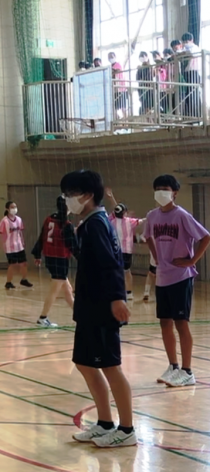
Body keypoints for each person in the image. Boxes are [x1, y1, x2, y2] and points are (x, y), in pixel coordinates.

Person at [60, 170, 135, 448]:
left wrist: (117, 298)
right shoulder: (88, 224)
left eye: (71, 194)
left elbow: (111, 264)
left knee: (110, 367)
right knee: (84, 363)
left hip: (103, 307)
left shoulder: (98, 224)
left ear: (88, 195)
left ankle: (126, 430)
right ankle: (104, 423)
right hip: (89, 306)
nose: (67, 199)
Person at [144, 175, 210, 387]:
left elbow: (206, 237)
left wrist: (192, 260)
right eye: (158, 188)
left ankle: (187, 371)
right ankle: (173, 366)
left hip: (181, 277)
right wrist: (156, 256)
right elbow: (147, 236)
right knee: (165, 322)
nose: (161, 192)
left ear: (174, 192)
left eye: (165, 188)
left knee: (181, 323)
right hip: (162, 276)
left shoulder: (181, 215)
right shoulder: (152, 216)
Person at [31, 196, 76, 327]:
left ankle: (80, 316)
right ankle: (42, 318)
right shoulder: (66, 225)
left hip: (50, 258)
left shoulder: (49, 219)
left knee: (68, 289)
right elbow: (73, 246)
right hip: (60, 260)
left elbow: (42, 237)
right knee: (54, 290)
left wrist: (37, 254)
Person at [105, 189, 144, 300]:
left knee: (114, 271)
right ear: (124, 213)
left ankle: (114, 291)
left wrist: (111, 198)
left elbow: (116, 208)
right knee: (127, 272)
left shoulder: (111, 221)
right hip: (127, 251)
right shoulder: (129, 221)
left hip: (115, 251)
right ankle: (129, 293)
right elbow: (142, 221)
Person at [1, 201, 33, 290]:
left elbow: (20, 232)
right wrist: (3, 245)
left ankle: (24, 279)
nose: (14, 209)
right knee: (13, 264)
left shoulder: (19, 219)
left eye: (15, 207)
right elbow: (1, 234)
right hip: (9, 247)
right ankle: (8, 282)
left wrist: (22, 241)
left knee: (24, 263)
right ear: (7, 209)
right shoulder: (4, 221)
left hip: (19, 246)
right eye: (12, 207)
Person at [179, 32, 202, 118]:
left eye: (187, 41)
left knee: (193, 94)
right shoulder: (184, 49)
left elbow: (192, 54)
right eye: (184, 42)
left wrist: (185, 53)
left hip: (194, 72)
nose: (185, 43)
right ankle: (189, 115)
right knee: (187, 95)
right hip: (186, 73)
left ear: (192, 40)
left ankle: (196, 115)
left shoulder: (195, 48)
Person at [108, 52, 128, 118]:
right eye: (109, 57)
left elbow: (117, 72)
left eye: (112, 56)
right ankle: (118, 119)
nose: (110, 58)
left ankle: (126, 121)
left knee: (123, 107)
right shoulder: (109, 67)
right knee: (114, 108)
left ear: (115, 56)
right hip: (114, 90)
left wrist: (113, 71)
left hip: (121, 89)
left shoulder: (118, 65)